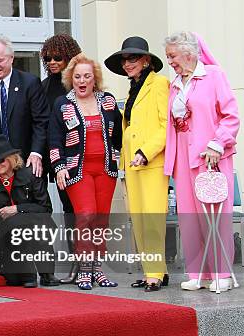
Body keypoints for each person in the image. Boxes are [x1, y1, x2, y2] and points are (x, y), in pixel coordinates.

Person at [163, 31, 240, 292]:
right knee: (189, 217)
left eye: (172, 56)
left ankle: (221, 273)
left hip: (211, 157)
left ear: (189, 52)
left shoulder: (213, 75)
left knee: (216, 216)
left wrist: (218, 143)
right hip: (184, 159)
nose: (170, 61)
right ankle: (197, 273)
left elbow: (231, 115)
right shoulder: (175, 84)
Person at [48, 53, 122, 290]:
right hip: (77, 170)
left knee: (101, 221)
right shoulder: (63, 104)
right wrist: (58, 166)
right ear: (71, 78)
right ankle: (84, 269)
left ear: (94, 79)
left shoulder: (108, 102)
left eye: (87, 76)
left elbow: (120, 136)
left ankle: (97, 270)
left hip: (106, 169)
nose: (82, 81)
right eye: (77, 76)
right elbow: (54, 138)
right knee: (85, 215)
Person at [104, 36, 170, 292]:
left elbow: (166, 128)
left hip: (151, 161)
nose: (127, 63)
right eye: (125, 59)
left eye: (133, 58)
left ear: (146, 60)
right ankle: (154, 271)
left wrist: (146, 151)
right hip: (132, 163)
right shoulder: (133, 88)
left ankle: (154, 272)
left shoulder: (160, 85)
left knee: (152, 219)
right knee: (140, 220)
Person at [0, 135, 56, 287]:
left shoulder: (30, 175)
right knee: (12, 282)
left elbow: (46, 208)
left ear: (12, 158)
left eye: (1, 160)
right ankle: (23, 273)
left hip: (33, 228)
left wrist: (18, 209)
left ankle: (45, 273)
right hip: (4, 237)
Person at [0, 36, 49, 179]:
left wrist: (36, 152)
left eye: (0, 60)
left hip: (26, 160)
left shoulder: (30, 83)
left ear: (11, 58)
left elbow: (41, 122)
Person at [40, 33, 82, 284]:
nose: (52, 62)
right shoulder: (43, 86)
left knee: (73, 209)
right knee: (45, 209)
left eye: (58, 57)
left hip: (72, 156)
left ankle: (81, 262)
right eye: (47, 58)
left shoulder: (77, 84)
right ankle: (49, 266)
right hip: (46, 155)